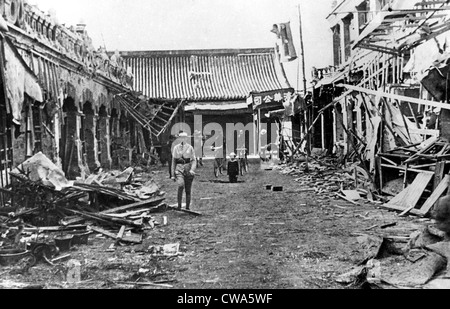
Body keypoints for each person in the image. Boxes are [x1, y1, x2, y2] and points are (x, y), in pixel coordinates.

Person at [171, 132, 197, 210]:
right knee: (181, 185)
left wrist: (192, 170)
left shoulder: (190, 148)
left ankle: (187, 207)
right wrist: (172, 174)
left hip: (188, 170)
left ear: (187, 138)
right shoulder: (176, 148)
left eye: (184, 138)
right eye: (181, 138)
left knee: (188, 189)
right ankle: (179, 205)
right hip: (179, 170)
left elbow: (194, 160)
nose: (183, 139)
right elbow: (173, 161)